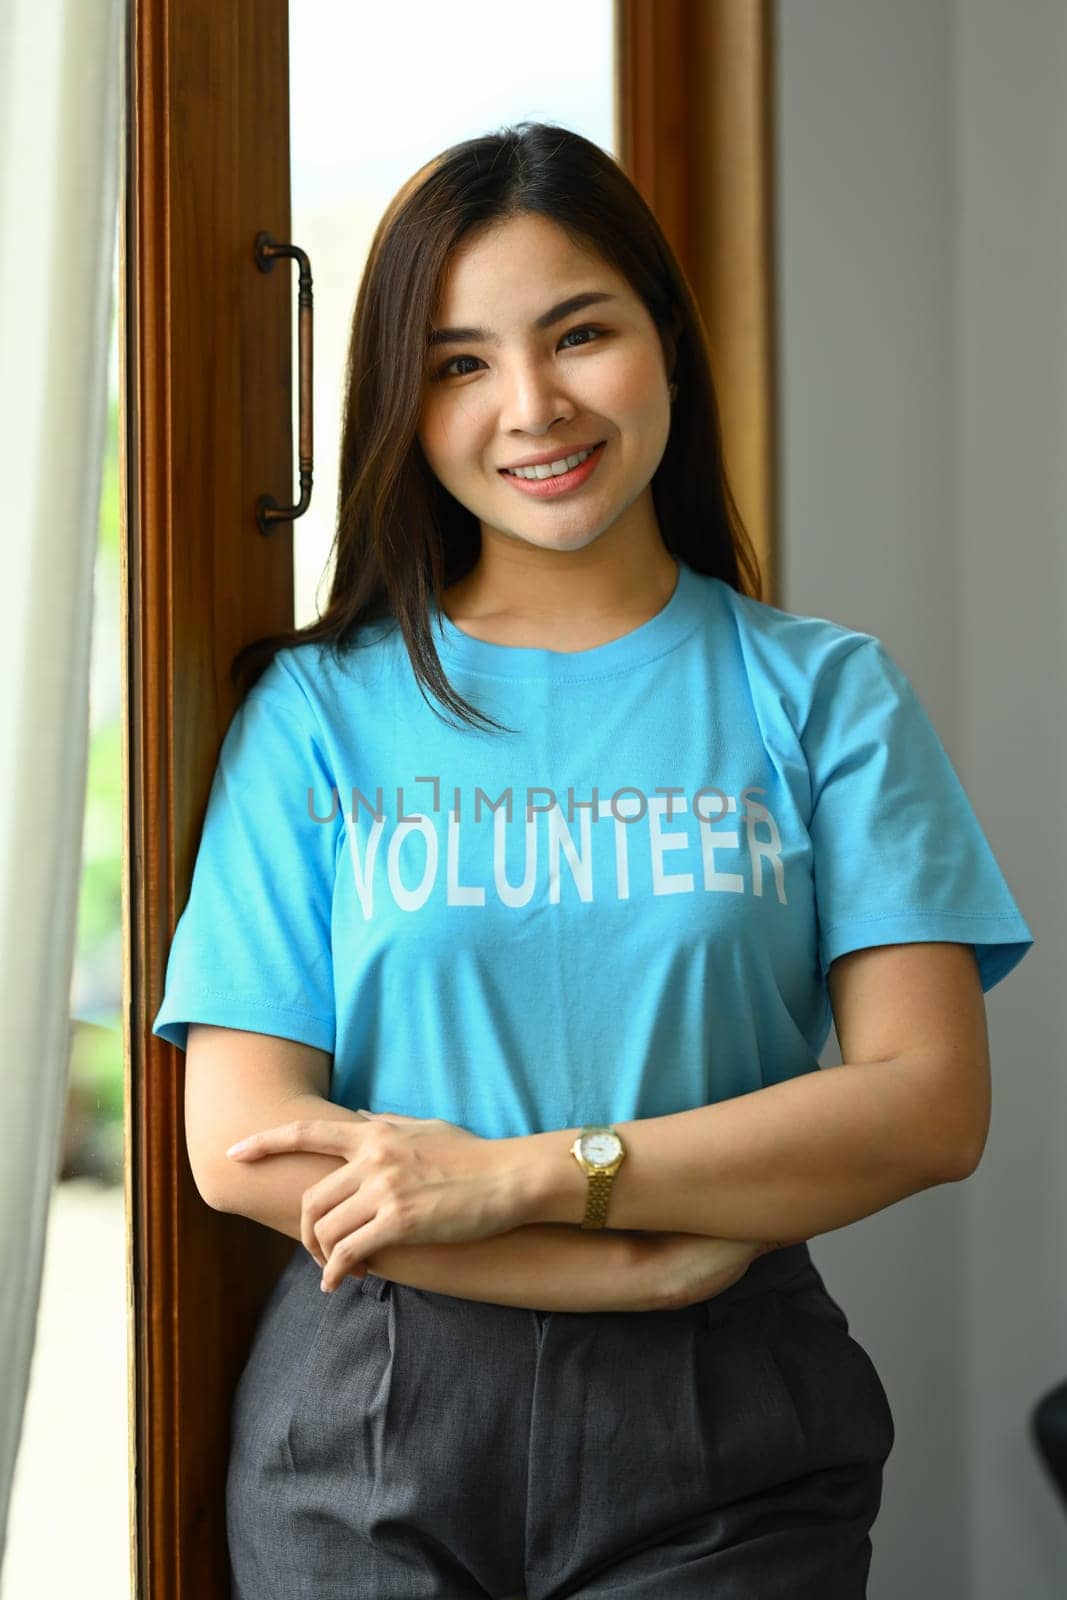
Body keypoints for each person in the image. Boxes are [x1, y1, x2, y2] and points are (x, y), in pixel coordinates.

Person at [151, 120, 1034, 1598]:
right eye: (459, 363)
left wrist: (532, 1179)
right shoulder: (319, 714)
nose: (533, 405)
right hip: (367, 1430)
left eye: (580, 333)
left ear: (667, 344)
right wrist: (627, 1254)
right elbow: (238, 1142)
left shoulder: (824, 694)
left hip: (726, 1428)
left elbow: (928, 1105)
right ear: (403, 407)